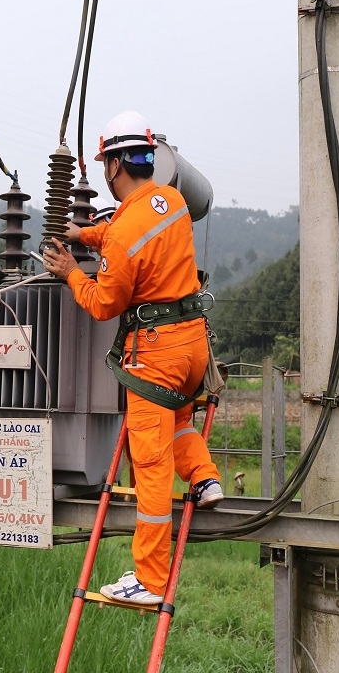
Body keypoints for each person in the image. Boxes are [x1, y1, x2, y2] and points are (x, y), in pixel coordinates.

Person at [41, 111, 223, 605]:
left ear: (115, 164)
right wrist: (83, 235)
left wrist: (68, 273)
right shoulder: (173, 202)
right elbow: (128, 228)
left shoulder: (124, 230)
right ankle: (205, 480)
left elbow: (104, 302)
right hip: (191, 349)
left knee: (150, 461)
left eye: (106, 162)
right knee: (181, 421)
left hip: (156, 357)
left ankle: (150, 580)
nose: (105, 171)